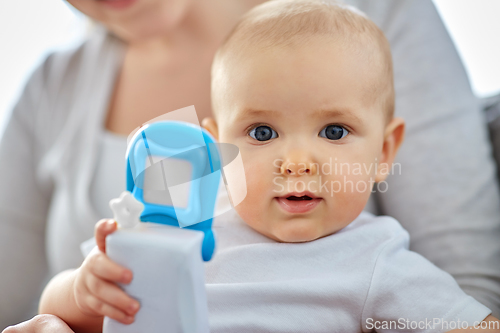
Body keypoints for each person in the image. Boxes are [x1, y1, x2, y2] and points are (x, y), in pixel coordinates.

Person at [1, 0, 500, 330]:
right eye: (262, 134)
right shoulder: (182, 216)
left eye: (334, 132)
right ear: (218, 149)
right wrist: (81, 292)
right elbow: (61, 301)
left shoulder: (376, 261)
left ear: (385, 154)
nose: (297, 162)